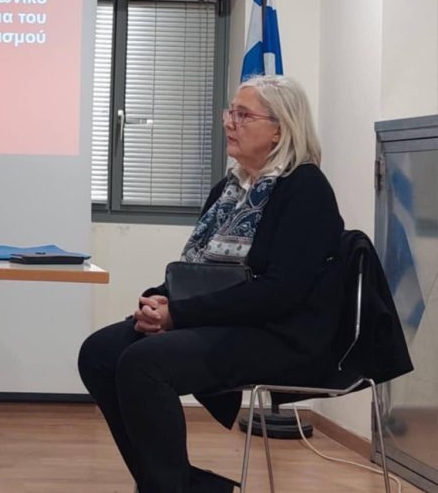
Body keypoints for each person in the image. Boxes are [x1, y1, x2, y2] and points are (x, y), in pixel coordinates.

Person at [77, 75, 345, 492]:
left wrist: (178, 315)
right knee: (100, 352)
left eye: (244, 115)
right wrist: (159, 300)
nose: (229, 123)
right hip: (221, 320)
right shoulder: (229, 188)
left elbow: (281, 292)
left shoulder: (305, 188)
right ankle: (178, 485)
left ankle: (169, 486)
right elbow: (199, 270)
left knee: (144, 362)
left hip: (279, 333)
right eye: (230, 112)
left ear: (280, 129)